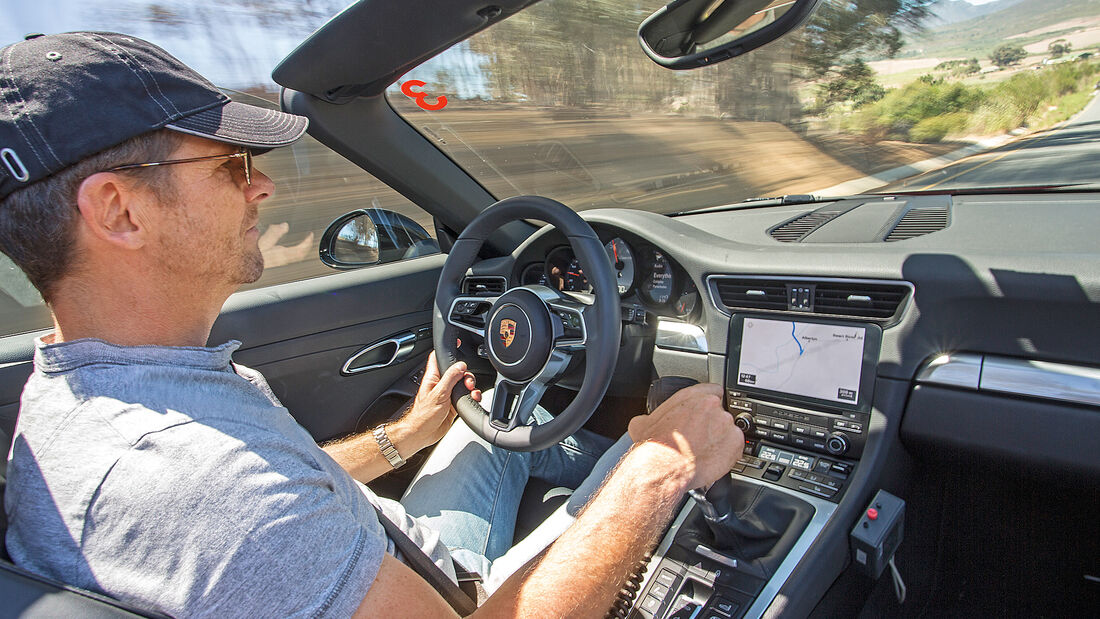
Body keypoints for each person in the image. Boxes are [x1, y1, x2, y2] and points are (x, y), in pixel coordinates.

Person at [0, 32, 743, 617]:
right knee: (668, 453)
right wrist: (657, 468)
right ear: (118, 211)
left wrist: (405, 434)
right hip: (470, 599)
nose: (260, 186)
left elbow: (285, 490)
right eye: (229, 166)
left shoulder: (86, 396)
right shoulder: (200, 485)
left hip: (397, 557)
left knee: (493, 425)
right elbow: (247, 505)